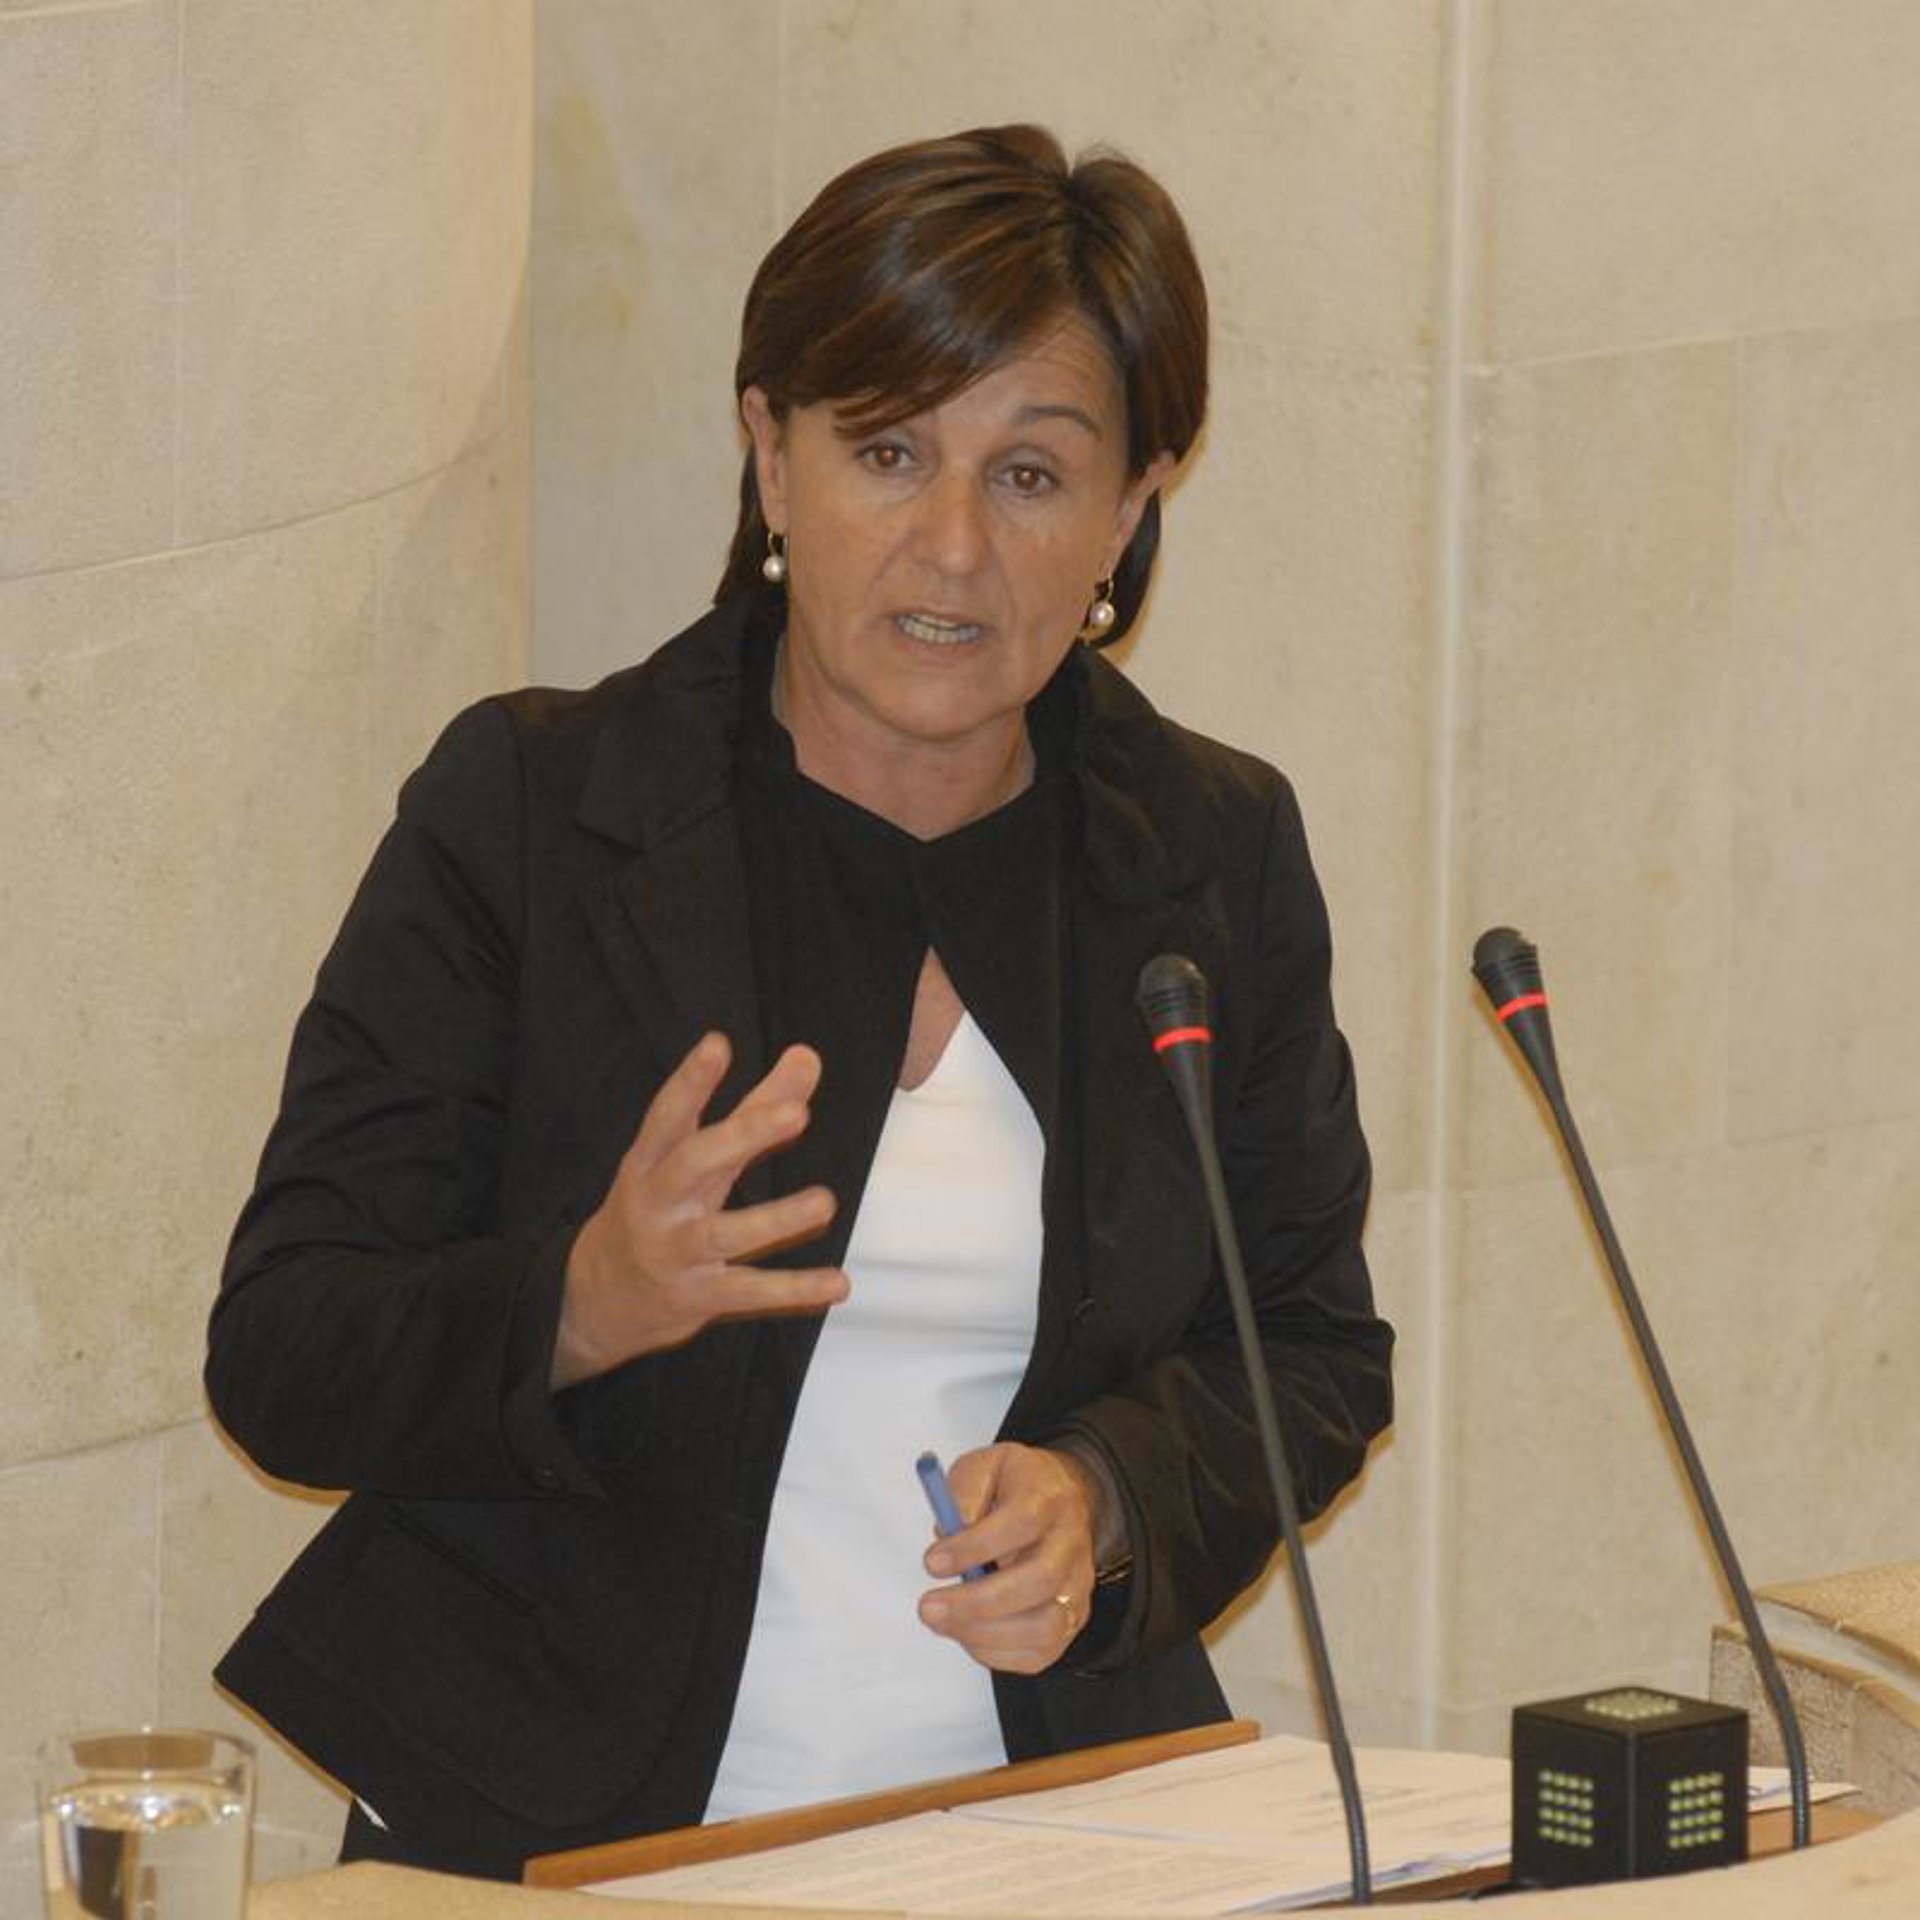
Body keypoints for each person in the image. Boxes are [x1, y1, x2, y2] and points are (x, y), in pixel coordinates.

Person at [205, 123, 1394, 1882]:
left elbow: (1307, 1346)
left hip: (1053, 1829)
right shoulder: (533, 815)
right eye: (888, 451)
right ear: (771, 457)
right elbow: (283, 1345)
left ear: (1130, 512)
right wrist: (579, 1304)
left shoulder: (1211, 855)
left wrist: (1109, 1495)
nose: (953, 546)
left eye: (1031, 474)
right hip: (560, 1835)